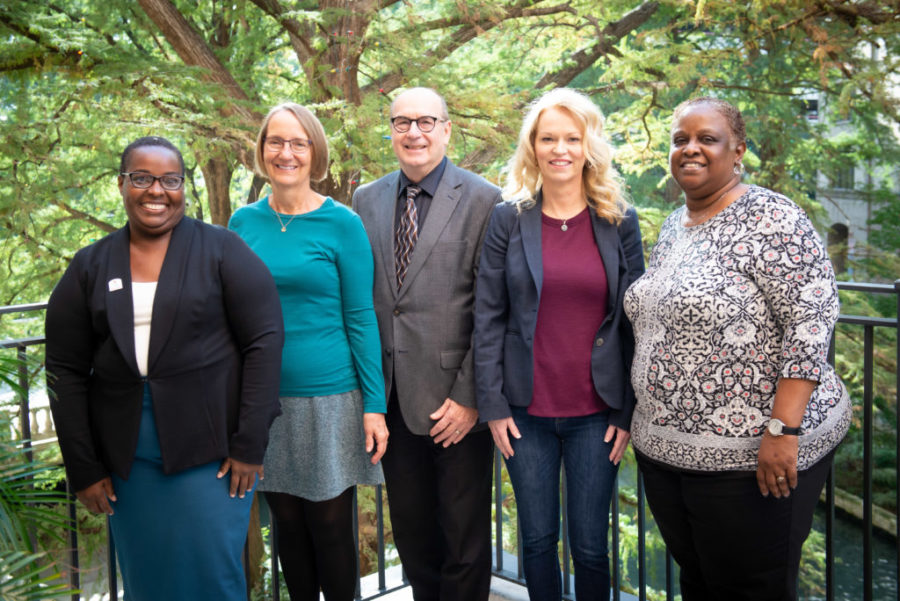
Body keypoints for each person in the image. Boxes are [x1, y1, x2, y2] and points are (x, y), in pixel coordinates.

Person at [623, 97, 851, 601]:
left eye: (708, 139)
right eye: (681, 139)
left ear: (738, 150)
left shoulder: (771, 216)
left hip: (750, 459)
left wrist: (782, 430)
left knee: (751, 590)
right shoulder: (674, 227)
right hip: (670, 455)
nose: (691, 149)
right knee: (701, 584)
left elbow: (811, 321)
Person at [45, 136, 284, 601]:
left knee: (213, 579)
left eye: (170, 179)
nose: (156, 190)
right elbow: (64, 369)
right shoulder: (91, 265)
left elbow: (265, 340)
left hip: (213, 458)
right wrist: (83, 466)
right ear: (122, 184)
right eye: (142, 178)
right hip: (128, 464)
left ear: (183, 187)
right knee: (148, 583)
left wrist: (251, 444)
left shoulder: (222, 250)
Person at [473, 88, 644, 601]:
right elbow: (487, 313)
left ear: (590, 145)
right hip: (524, 413)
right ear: (533, 146)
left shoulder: (619, 220)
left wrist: (627, 411)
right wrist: (493, 404)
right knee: (538, 540)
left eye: (572, 137)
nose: (560, 149)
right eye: (548, 138)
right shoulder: (508, 217)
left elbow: (638, 320)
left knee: (592, 547)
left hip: (599, 412)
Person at [228, 103, 387, 601]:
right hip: (262, 401)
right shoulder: (242, 222)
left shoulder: (342, 224)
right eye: (276, 141)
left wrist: (375, 405)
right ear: (262, 150)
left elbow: (361, 317)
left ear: (314, 152)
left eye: (298, 143)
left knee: (331, 528)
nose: (286, 153)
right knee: (288, 532)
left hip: (329, 398)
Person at [351, 87, 500, 601]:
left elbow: (491, 309)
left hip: (455, 403)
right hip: (391, 400)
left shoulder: (484, 198)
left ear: (447, 129)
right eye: (402, 122)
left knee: (464, 541)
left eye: (426, 121)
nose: (414, 132)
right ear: (390, 130)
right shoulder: (365, 200)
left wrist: (470, 397)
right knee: (413, 537)